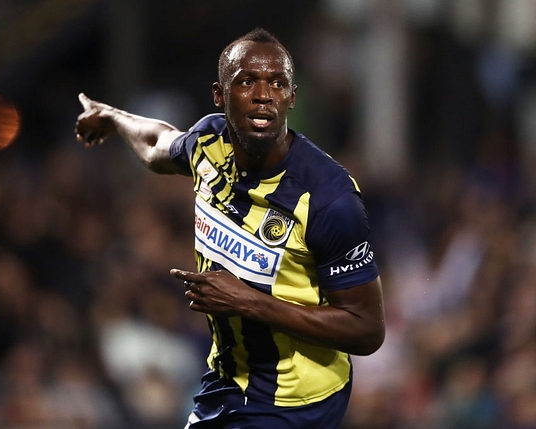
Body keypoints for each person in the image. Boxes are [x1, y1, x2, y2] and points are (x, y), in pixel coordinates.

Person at [75, 27, 385, 429]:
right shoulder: (209, 142)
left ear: (291, 97)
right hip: (226, 381)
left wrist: (251, 302)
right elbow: (156, 143)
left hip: (294, 402)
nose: (263, 94)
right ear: (220, 96)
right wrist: (114, 118)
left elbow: (367, 329)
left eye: (277, 83)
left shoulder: (330, 198)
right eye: (246, 81)